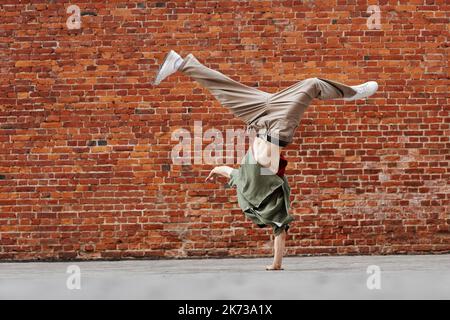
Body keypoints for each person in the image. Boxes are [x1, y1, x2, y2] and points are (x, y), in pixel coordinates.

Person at [154, 50, 378, 270]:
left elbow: (228, 173)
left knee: (226, 88)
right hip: (274, 124)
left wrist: (216, 169)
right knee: (309, 84)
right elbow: (227, 172)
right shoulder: (254, 188)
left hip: (262, 119)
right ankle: (353, 93)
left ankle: (180, 64)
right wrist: (215, 170)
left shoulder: (255, 191)